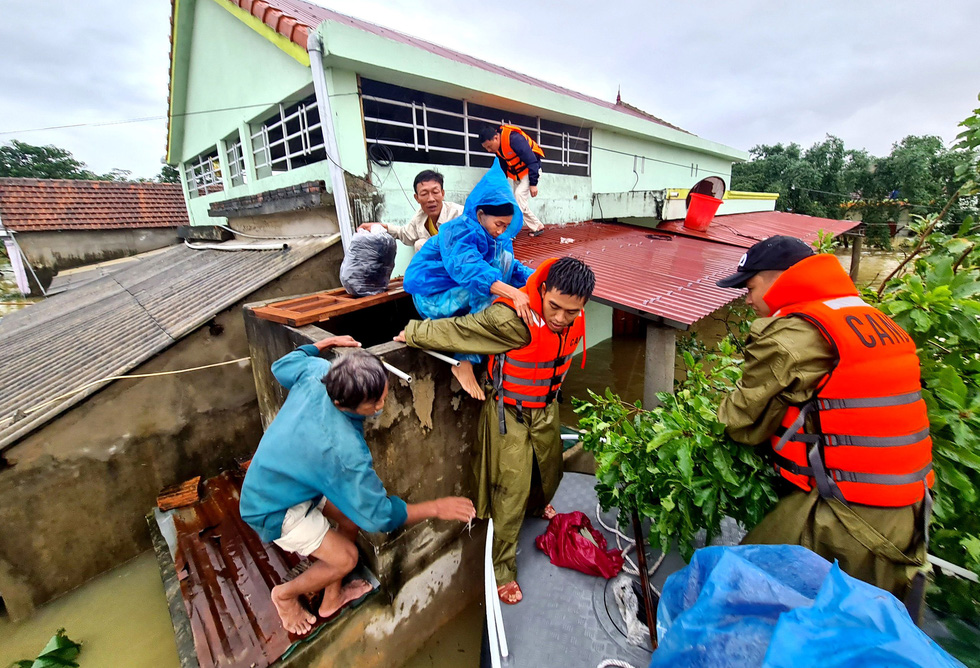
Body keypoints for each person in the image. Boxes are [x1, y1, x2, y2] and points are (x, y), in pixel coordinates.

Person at [715, 235, 933, 603]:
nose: (747, 299)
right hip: (912, 509)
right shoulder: (873, 318)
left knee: (741, 588)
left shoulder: (793, 335)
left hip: (851, 514)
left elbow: (741, 424)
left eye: (750, 287)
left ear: (781, 278)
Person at [240, 338, 476, 635]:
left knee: (349, 517)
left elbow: (282, 365)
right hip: (272, 509)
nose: (381, 405)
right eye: (373, 403)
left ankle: (331, 599)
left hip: (284, 480)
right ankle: (285, 596)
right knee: (348, 558)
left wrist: (328, 341)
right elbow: (379, 517)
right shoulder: (345, 452)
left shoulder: (318, 371)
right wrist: (436, 507)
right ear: (341, 403)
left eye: (383, 395)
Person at [395, 256, 596, 605]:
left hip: (546, 409)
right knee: (510, 491)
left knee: (549, 470)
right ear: (543, 290)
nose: (561, 319)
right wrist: (413, 332)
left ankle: (538, 506)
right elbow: (458, 330)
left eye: (572, 312)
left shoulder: (574, 320)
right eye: (555, 307)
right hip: (511, 414)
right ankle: (503, 568)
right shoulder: (511, 320)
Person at [403, 160, 535, 398]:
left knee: (503, 262)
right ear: (481, 214)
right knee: (489, 289)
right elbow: (470, 270)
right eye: (498, 224)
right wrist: (514, 293)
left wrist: (541, 280)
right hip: (431, 296)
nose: (501, 230)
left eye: (506, 225)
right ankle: (464, 361)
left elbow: (512, 267)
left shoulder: (497, 238)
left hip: (458, 293)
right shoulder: (458, 231)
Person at [358, 169, 463, 252]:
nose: (431, 199)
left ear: (442, 194)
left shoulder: (459, 213)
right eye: (424, 194)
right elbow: (405, 234)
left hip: (461, 266)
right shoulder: (420, 216)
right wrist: (381, 227)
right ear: (417, 198)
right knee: (420, 244)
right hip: (436, 270)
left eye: (435, 192)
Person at [479, 124, 545, 236]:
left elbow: (532, 161)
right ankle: (537, 226)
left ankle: (510, 232)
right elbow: (503, 167)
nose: (489, 150)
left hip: (530, 171)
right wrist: (500, 184)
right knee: (520, 202)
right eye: (486, 148)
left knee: (518, 199)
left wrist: (533, 184)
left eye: (489, 147)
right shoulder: (498, 149)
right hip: (518, 175)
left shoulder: (514, 139)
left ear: (496, 137)